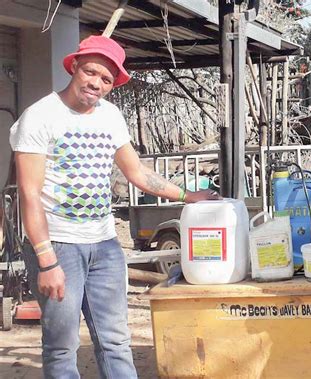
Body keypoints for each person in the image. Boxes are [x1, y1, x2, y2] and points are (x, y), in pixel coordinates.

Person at [10, 35, 220, 379]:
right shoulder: (40, 117)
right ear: (74, 67)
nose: (96, 83)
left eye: (106, 79)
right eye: (90, 72)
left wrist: (187, 196)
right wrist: (47, 261)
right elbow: (29, 195)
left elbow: (136, 172)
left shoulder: (110, 116)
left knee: (115, 342)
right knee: (62, 347)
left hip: (105, 244)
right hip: (59, 246)